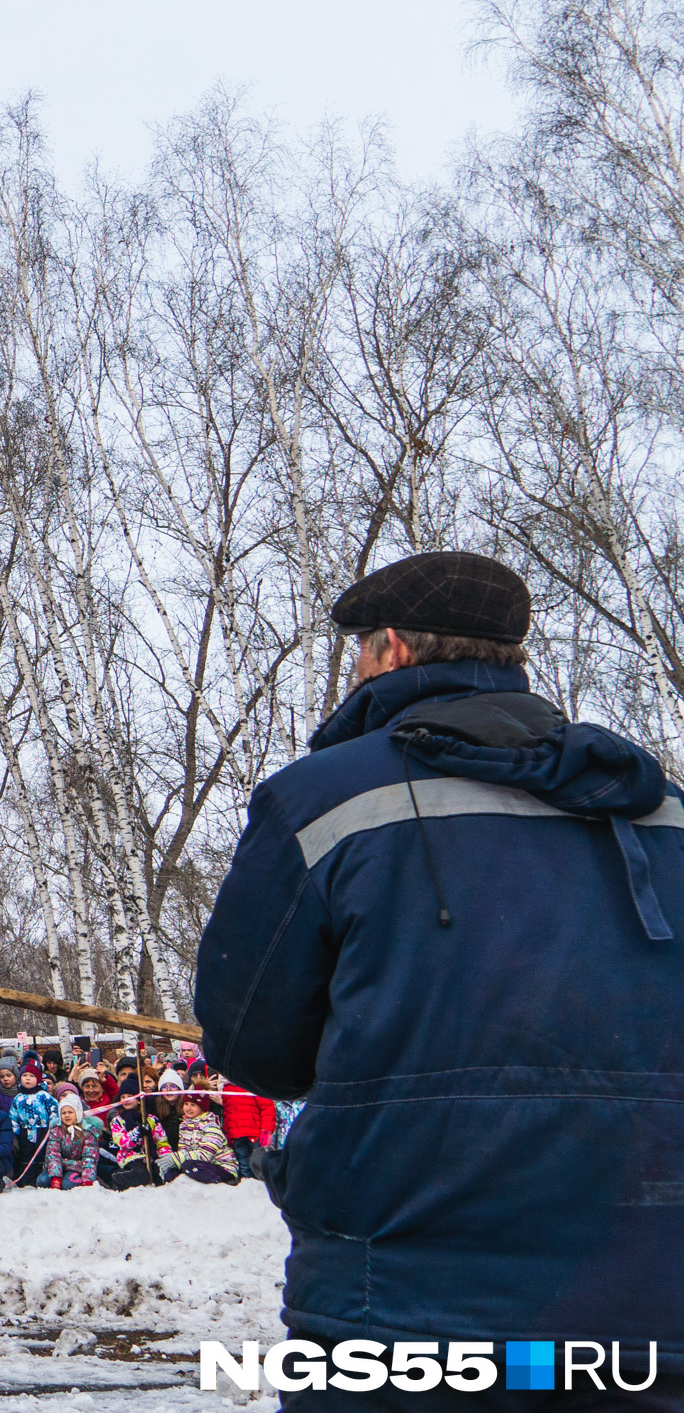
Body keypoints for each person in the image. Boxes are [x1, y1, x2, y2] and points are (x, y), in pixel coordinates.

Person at [198, 551, 684, 1381]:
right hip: (643, 1308)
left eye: (357, 650)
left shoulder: (320, 802)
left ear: (390, 649)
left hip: (398, 1304)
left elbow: (252, 1046)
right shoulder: (662, 811)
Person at [39, 1101, 97, 1190]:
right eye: (63, 1113)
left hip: (77, 1168)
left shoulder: (87, 1132)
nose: (67, 1115)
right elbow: (53, 1153)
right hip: (58, 1165)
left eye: (70, 1112)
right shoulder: (56, 1130)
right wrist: (56, 1177)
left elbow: (89, 1157)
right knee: (42, 1181)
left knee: (68, 1184)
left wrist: (87, 1179)